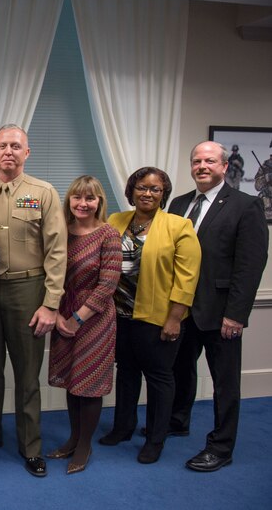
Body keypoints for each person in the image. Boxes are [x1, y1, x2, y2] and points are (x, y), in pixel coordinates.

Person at [0, 123, 67, 477]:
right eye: (2, 146)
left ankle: (31, 447)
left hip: (29, 290)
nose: (8, 151)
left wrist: (51, 303)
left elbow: (57, 250)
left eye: (16, 146)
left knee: (27, 373)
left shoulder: (43, 192)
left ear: (27, 153)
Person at [169, 141, 268, 472]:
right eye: (196, 160)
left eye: (209, 161)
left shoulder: (245, 205)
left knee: (225, 384)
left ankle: (221, 447)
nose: (202, 166)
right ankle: (178, 421)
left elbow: (250, 265)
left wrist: (236, 315)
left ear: (224, 166)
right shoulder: (179, 203)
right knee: (180, 371)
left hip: (221, 312)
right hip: (181, 310)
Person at [100, 167, 201, 464]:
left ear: (164, 194)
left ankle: (156, 439)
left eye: (155, 189)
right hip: (120, 314)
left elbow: (187, 278)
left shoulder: (179, 226)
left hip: (157, 318)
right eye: (142, 187)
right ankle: (123, 427)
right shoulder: (116, 221)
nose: (147, 193)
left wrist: (175, 318)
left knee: (159, 378)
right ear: (131, 191)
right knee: (127, 373)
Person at [46, 176, 122, 474]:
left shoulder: (109, 234)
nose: (83, 203)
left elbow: (107, 285)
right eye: (77, 197)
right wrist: (59, 316)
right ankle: (73, 439)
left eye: (90, 198)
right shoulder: (61, 233)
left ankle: (84, 446)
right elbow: (50, 274)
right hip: (62, 312)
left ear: (99, 202)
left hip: (95, 318)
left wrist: (77, 319)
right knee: (71, 379)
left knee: (88, 383)